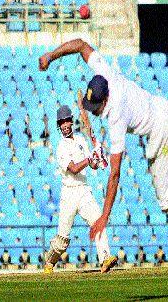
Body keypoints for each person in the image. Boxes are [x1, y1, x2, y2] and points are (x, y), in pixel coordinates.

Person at [39, 39, 168, 271]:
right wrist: (51, 56)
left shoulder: (115, 115)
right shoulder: (105, 73)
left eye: (96, 108)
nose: (96, 112)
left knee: (166, 198)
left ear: (105, 100)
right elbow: (81, 45)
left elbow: (115, 173)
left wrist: (104, 217)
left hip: (157, 129)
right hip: (163, 107)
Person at [42, 105, 117, 274]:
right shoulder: (61, 147)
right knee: (62, 240)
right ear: (59, 125)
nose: (65, 125)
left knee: (98, 221)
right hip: (69, 193)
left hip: (83, 189)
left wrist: (97, 160)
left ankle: (105, 258)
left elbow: (92, 165)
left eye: (67, 120)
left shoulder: (82, 140)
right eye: (62, 122)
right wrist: (90, 158)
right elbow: (74, 168)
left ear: (71, 121)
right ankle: (49, 261)